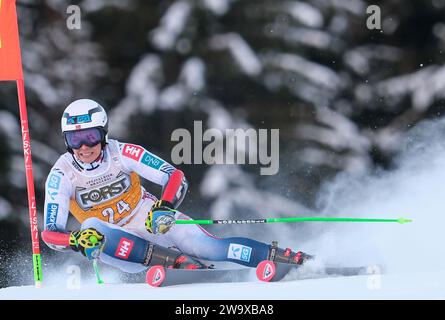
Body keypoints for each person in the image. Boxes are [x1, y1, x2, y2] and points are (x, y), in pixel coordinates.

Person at [41, 99, 312, 273]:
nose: (84, 147)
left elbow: (173, 175)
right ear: (67, 141)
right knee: (92, 228)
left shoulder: (122, 152)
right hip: (118, 245)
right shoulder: (61, 175)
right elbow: (50, 233)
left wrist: (165, 208)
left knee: (210, 248)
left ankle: (281, 257)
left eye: (90, 137)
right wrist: (75, 240)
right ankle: (172, 262)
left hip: (150, 221)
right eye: (75, 140)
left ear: (103, 134)